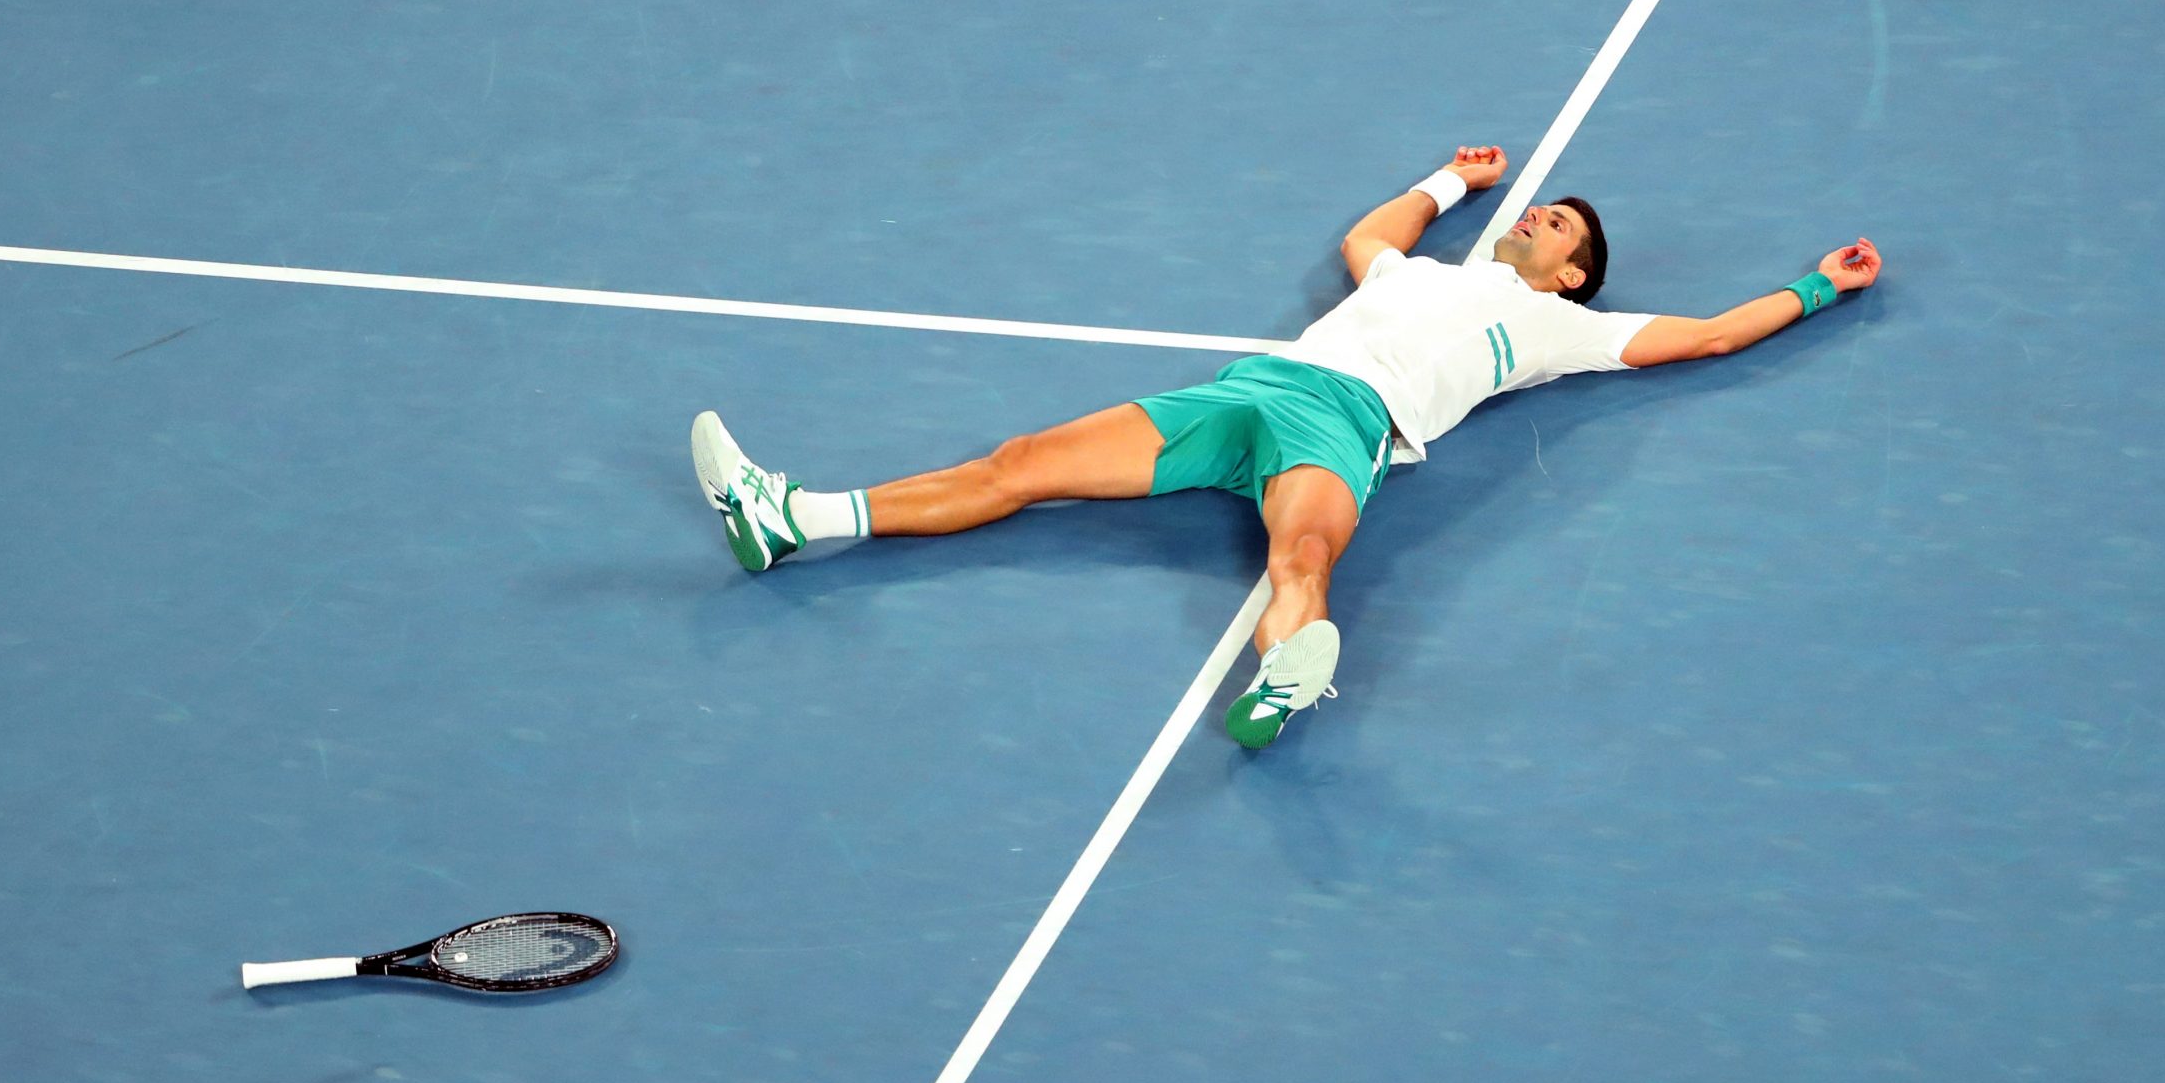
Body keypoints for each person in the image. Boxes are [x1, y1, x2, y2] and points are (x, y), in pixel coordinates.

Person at [691, 145, 1882, 748]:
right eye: (1535, 205)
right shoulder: (1416, 265)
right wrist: (1445, 182)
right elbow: (1371, 232)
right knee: (1021, 463)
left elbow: (1719, 332)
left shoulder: (1569, 328)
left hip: (1343, 423)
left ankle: (1282, 678)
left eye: (1556, 223)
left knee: (1299, 556)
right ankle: (791, 516)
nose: (1536, 215)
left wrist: (1815, 288)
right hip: (1249, 392)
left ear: (1573, 272)